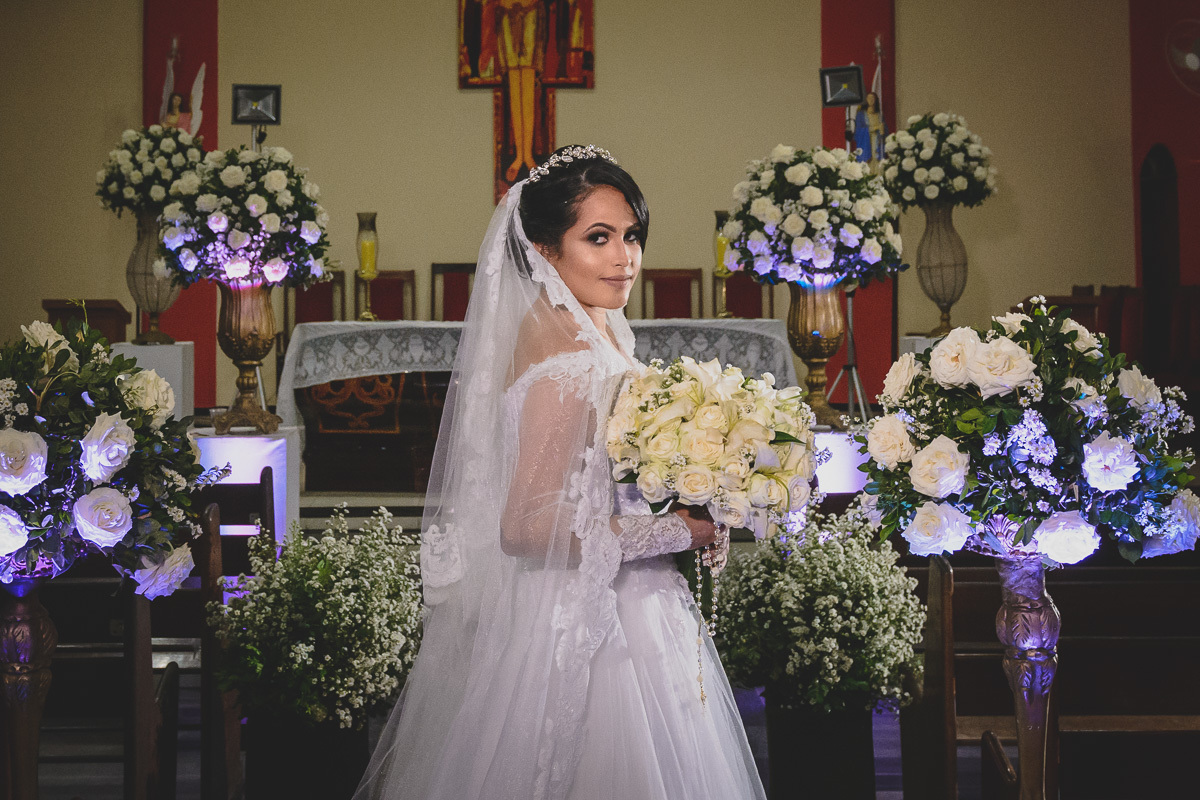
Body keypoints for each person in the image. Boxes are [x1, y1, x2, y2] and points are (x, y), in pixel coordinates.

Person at [354, 145, 767, 800]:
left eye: (631, 235)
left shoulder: (596, 329)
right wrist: (677, 532)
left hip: (630, 596)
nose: (624, 256)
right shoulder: (566, 359)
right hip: (584, 618)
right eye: (598, 238)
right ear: (545, 249)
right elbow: (525, 525)